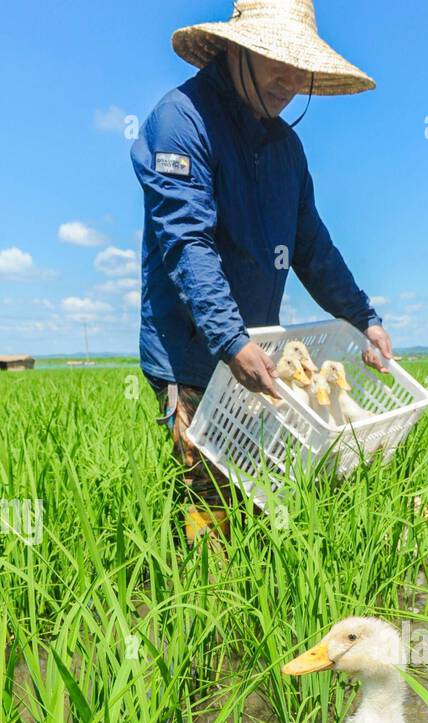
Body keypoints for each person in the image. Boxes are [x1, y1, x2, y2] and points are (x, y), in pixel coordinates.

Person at [132, 0, 391, 542]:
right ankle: (207, 611)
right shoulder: (181, 121)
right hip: (192, 350)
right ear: (238, 49)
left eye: (302, 67)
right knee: (207, 489)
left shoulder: (286, 147)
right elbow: (186, 241)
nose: (291, 80)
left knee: (253, 488)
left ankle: (254, 598)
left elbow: (311, 247)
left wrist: (363, 316)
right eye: (279, 60)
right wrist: (228, 337)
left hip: (256, 352)